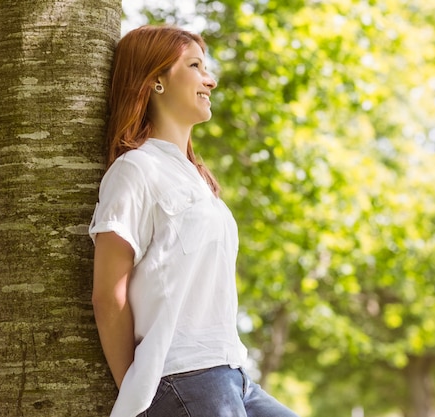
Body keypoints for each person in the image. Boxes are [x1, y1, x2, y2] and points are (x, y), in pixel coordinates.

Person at [89, 25, 299, 417]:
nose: (211, 79)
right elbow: (108, 295)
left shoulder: (197, 179)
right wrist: (139, 393)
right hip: (183, 376)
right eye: (195, 65)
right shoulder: (136, 170)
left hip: (233, 373)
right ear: (156, 81)